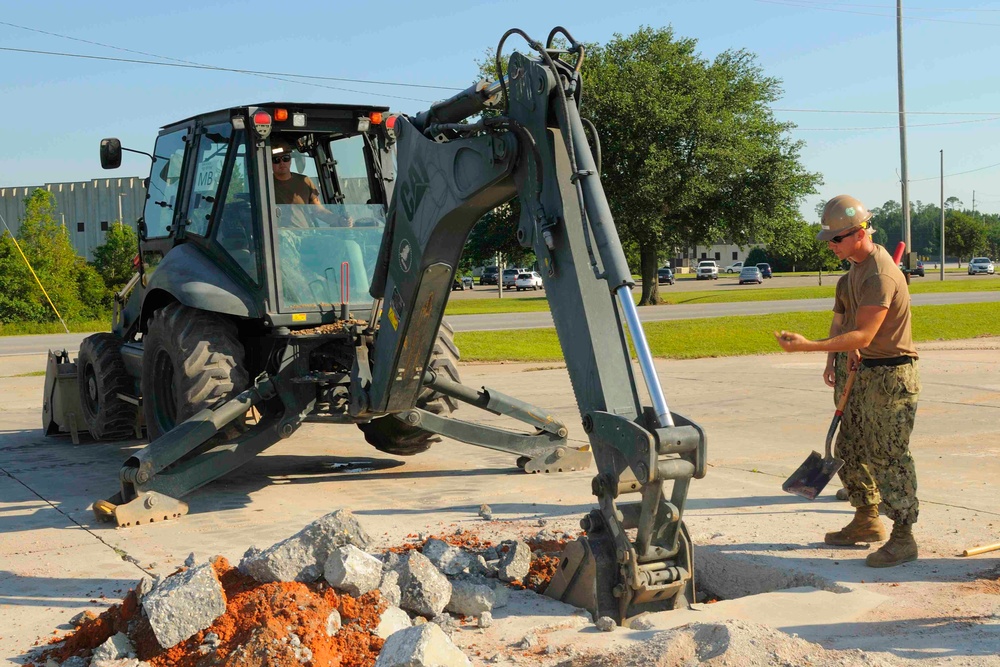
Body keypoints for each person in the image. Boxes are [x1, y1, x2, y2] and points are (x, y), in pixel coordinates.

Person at [775, 194, 920, 568]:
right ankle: (866, 519)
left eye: (836, 239)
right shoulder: (850, 275)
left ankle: (903, 537)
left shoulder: (880, 274)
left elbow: (864, 335)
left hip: (890, 374)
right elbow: (841, 323)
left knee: (888, 456)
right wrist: (830, 357)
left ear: (858, 233)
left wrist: (806, 347)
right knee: (849, 449)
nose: (831, 246)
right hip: (859, 372)